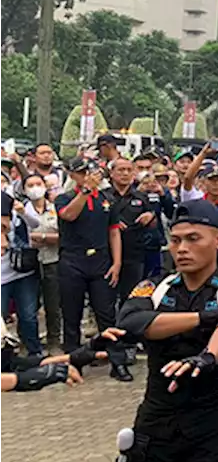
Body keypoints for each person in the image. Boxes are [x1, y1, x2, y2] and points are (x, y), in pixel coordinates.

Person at [116, 200, 218, 462]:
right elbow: (132, 323)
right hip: (156, 426)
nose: (181, 248)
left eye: (193, 239)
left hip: (213, 429)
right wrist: (204, 318)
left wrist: (207, 357)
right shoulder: (154, 287)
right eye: (176, 240)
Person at [55, 157, 126, 375]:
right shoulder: (64, 198)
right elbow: (69, 215)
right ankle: (73, 362)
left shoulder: (107, 199)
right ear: (73, 175)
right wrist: (84, 192)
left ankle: (118, 362)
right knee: (72, 314)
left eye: (91, 172)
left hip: (101, 261)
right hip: (72, 260)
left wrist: (117, 263)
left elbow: (114, 231)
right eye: (82, 172)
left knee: (106, 314)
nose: (88, 176)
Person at [102, 157, 154, 311]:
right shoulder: (103, 196)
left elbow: (154, 222)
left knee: (131, 297)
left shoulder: (141, 197)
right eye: (121, 170)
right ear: (111, 173)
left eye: (129, 170)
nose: (125, 174)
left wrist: (150, 217)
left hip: (134, 253)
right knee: (106, 298)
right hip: (107, 254)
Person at [0, 189, 41, 357]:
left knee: (28, 315)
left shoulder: (16, 214)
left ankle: (34, 352)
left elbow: (35, 224)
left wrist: (22, 212)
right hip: (2, 278)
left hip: (22, 273)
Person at [27, 172, 62, 353]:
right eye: (30, 185)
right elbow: (21, 238)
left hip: (52, 261)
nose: (35, 189)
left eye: (38, 184)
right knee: (28, 305)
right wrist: (45, 238)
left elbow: (62, 236)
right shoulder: (21, 210)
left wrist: (41, 236)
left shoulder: (55, 208)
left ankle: (54, 341)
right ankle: (29, 342)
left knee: (53, 303)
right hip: (26, 264)